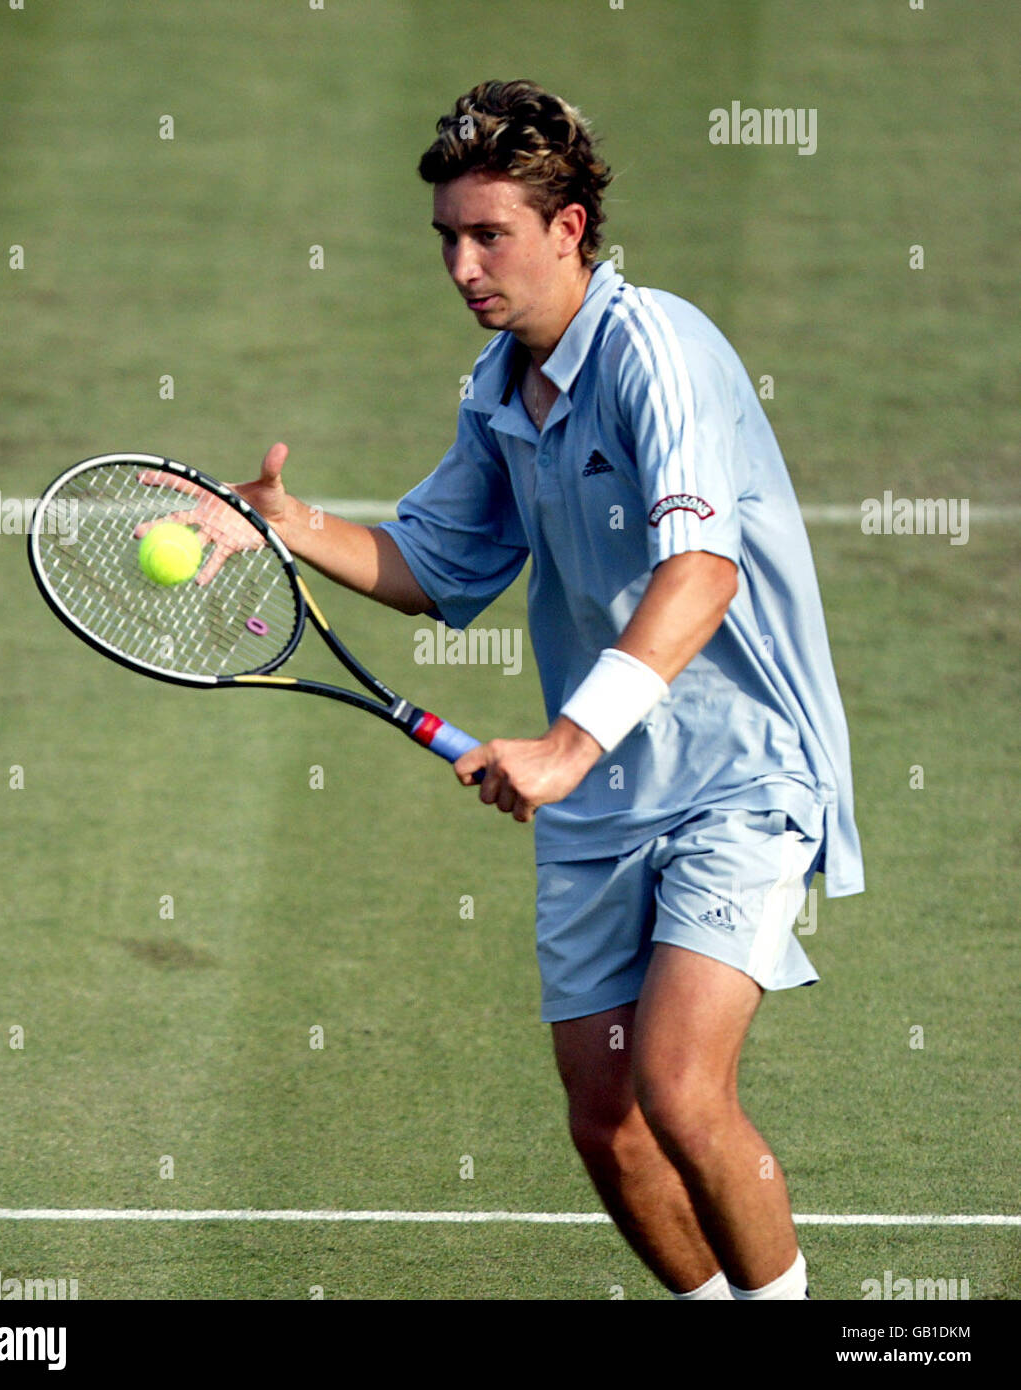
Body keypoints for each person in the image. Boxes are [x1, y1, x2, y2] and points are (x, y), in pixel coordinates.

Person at [230, 79, 864, 1300]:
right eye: (447, 240)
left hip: (738, 770)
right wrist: (288, 524)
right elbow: (435, 567)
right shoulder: (496, 389)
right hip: (600, 804)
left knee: (678, 1089)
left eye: (490, 236)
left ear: (568, 228)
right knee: (607, 1129)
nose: (464, 266)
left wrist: (564, 746)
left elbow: (702, 571)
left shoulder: (656, 353)